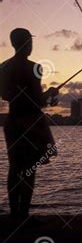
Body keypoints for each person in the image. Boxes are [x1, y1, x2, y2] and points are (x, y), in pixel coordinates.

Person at [0, 28, 59, 224]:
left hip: (13, 120)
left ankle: (13, 213)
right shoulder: (35, 67)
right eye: (30, 42)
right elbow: (37, 100)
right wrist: (50, 92)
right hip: (31, 122)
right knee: (29, 169)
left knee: (14, 167)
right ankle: (23, 214)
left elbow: (6, 95)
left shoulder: (3, 67)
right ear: (27, 43)